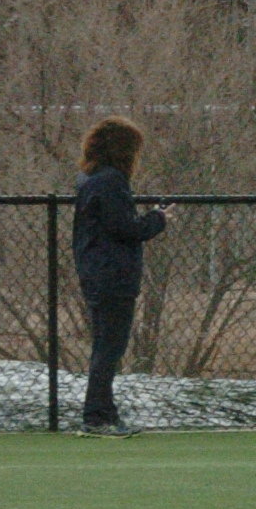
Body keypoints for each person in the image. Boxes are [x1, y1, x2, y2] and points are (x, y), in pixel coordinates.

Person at [71, 117, 169, 436]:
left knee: (106, 345)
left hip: (95, 270)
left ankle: (105, 412)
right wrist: (157, 219)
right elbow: (125, 228)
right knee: (110, 348)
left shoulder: (89, 179)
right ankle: (97, 416)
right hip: (113, 274)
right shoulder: (111, 181)